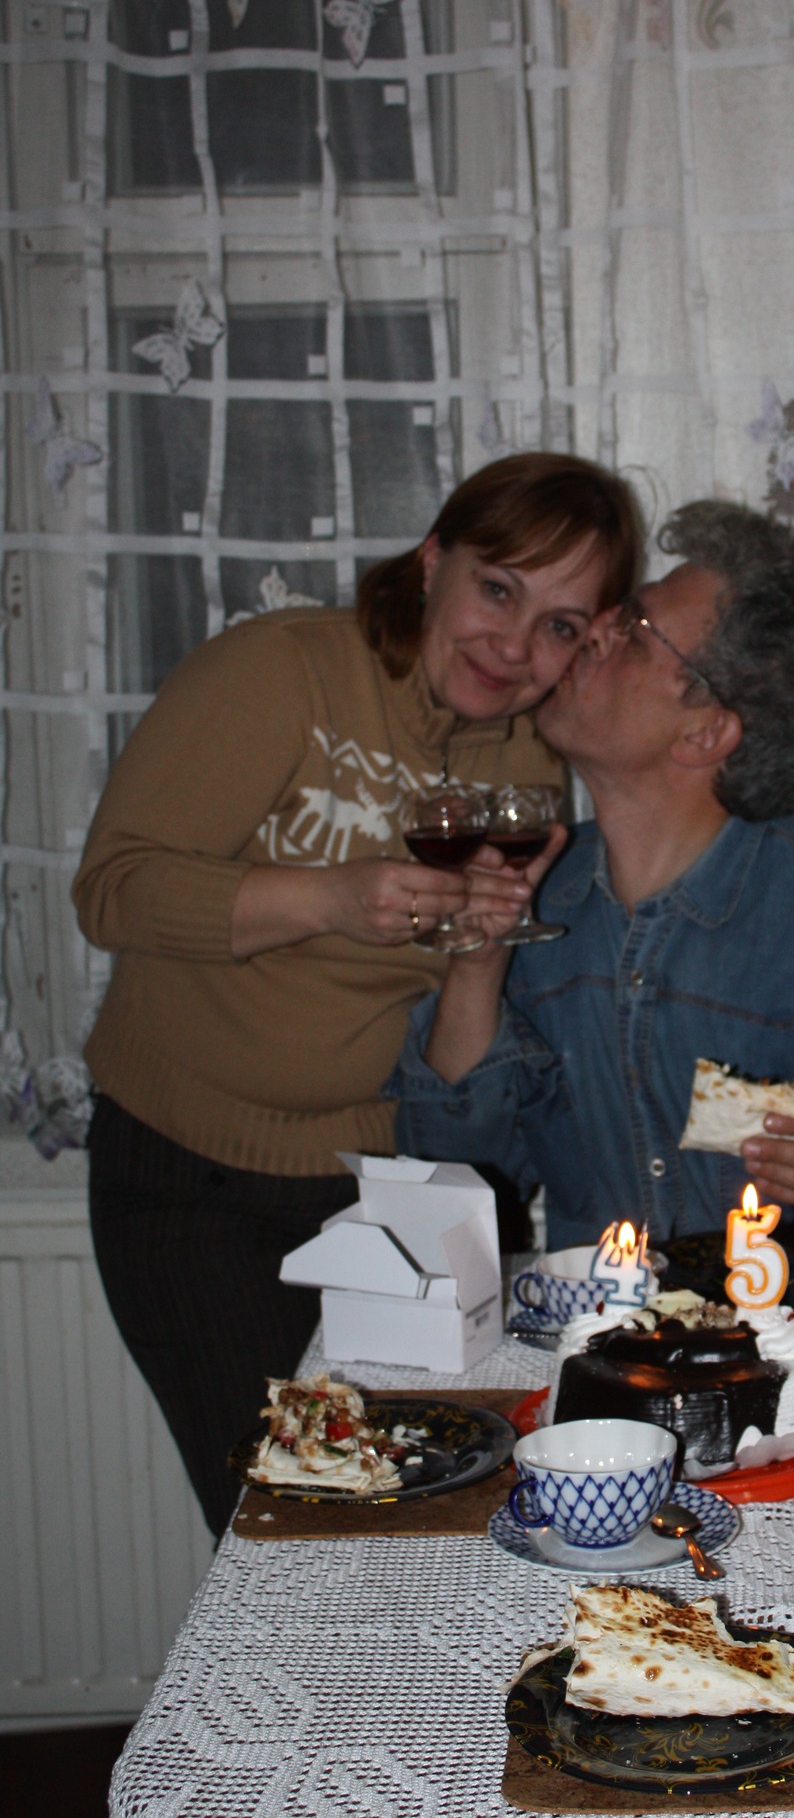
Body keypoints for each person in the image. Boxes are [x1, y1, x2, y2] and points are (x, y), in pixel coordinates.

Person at [73, 452, 641, 1533]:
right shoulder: (280, 672)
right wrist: (328, 897)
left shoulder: (527, 765)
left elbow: (466, 993)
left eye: (561, 625)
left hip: (383, 1193)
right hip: (193, 1187)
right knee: (295, 1522)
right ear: (432, 561)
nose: (514, 646)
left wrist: (479, 947)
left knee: (416, 1524)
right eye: (497, 590)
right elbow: (112, 891)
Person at [391, 500, 794, 1263]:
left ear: (705, 731)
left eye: (634, 630)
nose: (593, 631)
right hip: (596, 1330)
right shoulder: (538, 901)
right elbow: (446, 1194)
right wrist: (477, 966)